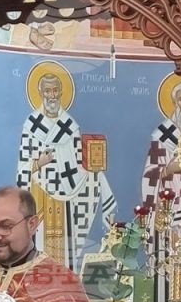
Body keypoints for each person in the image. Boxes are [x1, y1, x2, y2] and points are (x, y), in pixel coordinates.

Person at [16, 71, 116, 271]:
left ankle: (64, 283)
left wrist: (93, 169)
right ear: (40, 93)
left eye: (55, 90)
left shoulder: (70, 126)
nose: (51, 95)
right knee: (39, 245)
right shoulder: (32, 125)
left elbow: (80, 164)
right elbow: (22, 167)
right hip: (40, 197)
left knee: (64, 248)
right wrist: (39, 163)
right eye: (47, 91)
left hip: (66, 201)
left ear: (61, 92)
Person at [141, 80, 181, 302]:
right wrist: (171, 168)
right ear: (175, 103)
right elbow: (151, 173)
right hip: (171, 208)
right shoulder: (162, 135)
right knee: (172, 260)